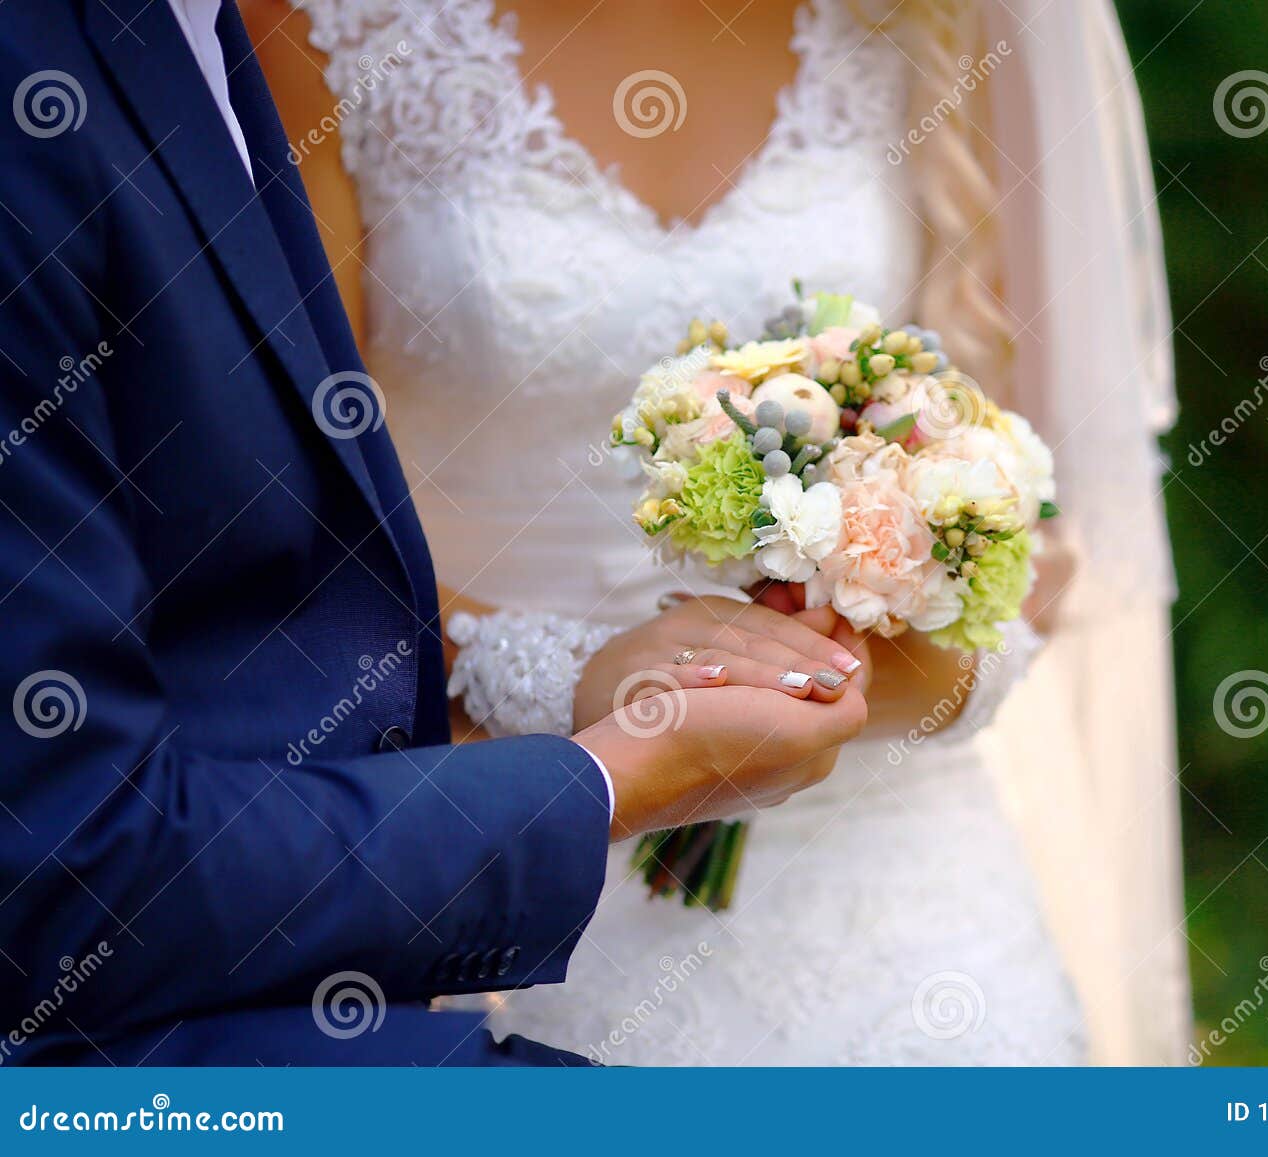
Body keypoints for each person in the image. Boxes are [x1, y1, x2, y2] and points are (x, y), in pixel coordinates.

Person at [250, 0, 1190, 1063]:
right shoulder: (325, 31)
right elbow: (279, 523)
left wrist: (854, 667)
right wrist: (573, 679)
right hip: (520, 829)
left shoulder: (908, 31)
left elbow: (1028, 531)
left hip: (907, 892)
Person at [0, 0, 865, 1067]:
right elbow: (68, 861)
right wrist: (602, 761)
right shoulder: (262, 45)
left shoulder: (195, 33)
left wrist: (868, 634)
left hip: (369, 931)